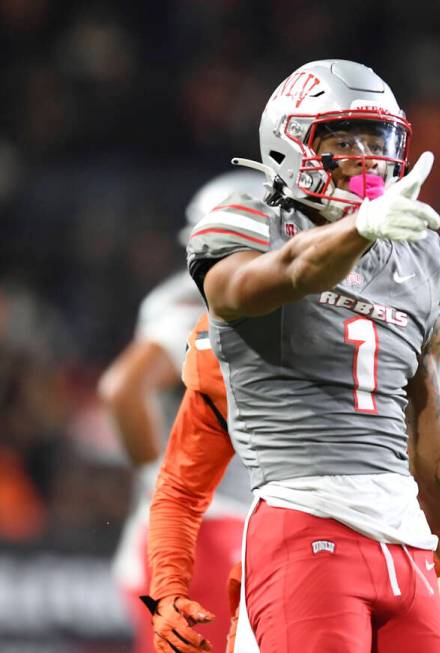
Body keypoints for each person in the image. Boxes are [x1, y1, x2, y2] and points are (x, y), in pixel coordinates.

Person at [156, 59, 440, 652]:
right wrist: (167, 582)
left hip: (405, 545)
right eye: (343, 138)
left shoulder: (419, 256)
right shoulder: (249, 226)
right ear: (291, 145)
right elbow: (286, 272)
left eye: (377, 139)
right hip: (305, 525)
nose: (366, 156)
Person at [144, 309, 440, 653]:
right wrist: (169, 587)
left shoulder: (418, 328)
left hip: (368, 561)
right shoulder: (239, 335)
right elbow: (180, 491)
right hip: (336, 557)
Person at [97, 170, 261, 653]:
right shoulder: (196, 300)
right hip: (208, 529)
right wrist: (162, 484)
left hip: (227, 522)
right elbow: (122, 389)